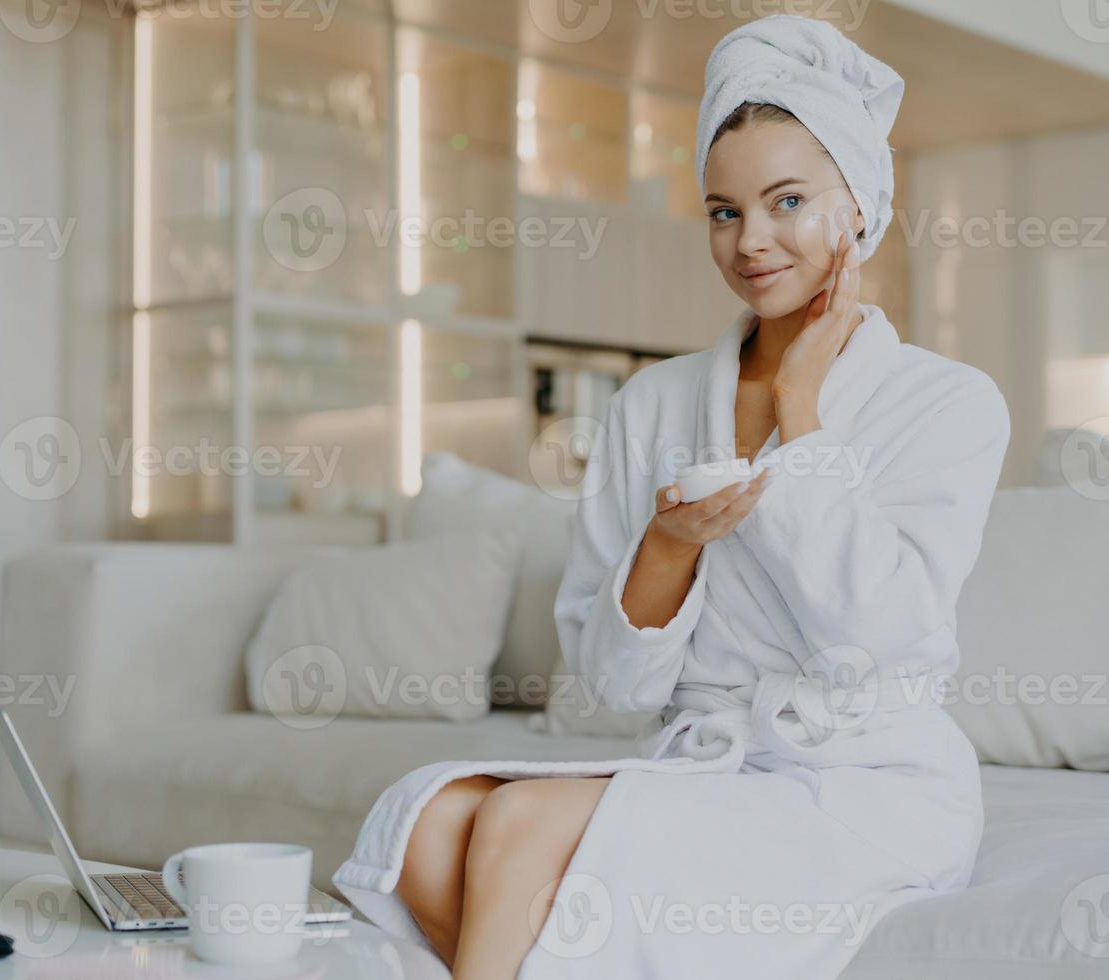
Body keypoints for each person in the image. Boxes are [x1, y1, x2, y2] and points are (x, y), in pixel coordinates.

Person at [331, 15, 1011, 980]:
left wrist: (802, 411)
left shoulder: (947, 403)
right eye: (724, 210)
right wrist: (666, 547)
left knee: (518, 817)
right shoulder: (651, 403)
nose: (752, 241)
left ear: (858, 205)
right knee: (432, 825)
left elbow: (886, 635)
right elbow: (615, 687)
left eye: (787, 201)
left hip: (863, 789)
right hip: (708, 764)